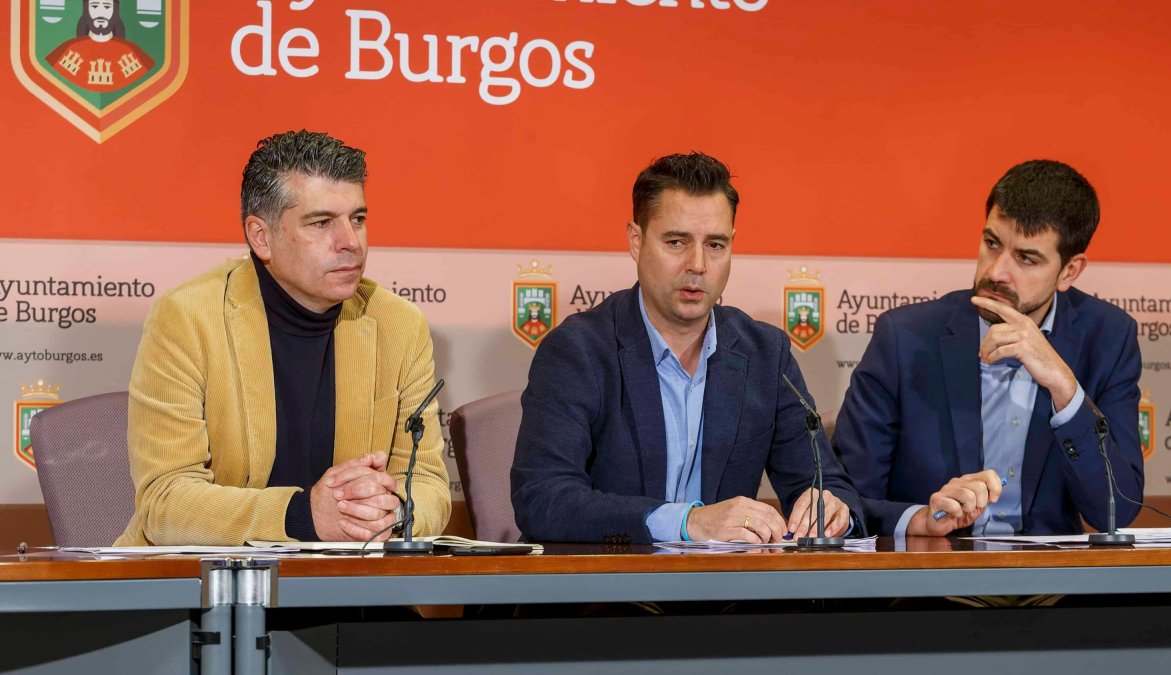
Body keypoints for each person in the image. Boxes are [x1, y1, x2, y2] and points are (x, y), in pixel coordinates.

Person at [115, 130, 451, 546]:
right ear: (261, 237)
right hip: (209, 586)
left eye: (358, 219)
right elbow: (165, 503)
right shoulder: (187, 318)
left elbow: (431, 485)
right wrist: (303, 517)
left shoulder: (397, 323)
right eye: (321, 222)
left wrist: (393, 512)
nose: (351, 243)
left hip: (352, 587)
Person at [511, 152, 864, 544]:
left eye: (715, 245)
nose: (697, 264)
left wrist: (831, 511)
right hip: (609, 593)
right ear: (636, 240)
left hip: (731, 597)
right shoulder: (579, 350)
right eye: (676, 242)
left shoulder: (766, 353)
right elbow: (543, 499)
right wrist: (687, 523)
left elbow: (826, 483)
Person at [835, 159, 1143, 538]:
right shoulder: (904, 338)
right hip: (936, 578)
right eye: (992, 243)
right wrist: (919, 518)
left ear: (1069, 271)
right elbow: (844, 502)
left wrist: (1065, 388)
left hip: (1054, 583)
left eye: (1026, 259)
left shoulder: (1108, 338)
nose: (997, 271)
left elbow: (1119, 510)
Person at [46, 0, 155, 93]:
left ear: (115, 11)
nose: (101, 13)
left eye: (107, 7)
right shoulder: (67, 49)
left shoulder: (132, 52)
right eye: (94, 6)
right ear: (86, 10)